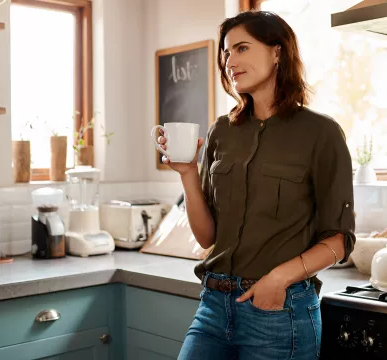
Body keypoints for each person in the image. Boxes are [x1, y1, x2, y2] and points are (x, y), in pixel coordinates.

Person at [156, 10, 356, 360]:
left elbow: (339, 241)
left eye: (242, 48)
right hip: (214, 306)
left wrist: (279, 278)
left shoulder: (321, 134)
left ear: (277, 52)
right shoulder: (221, 131)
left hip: (279, 312)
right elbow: (207, 237)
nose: (230, 60)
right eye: (227, 52)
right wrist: (187, 173)